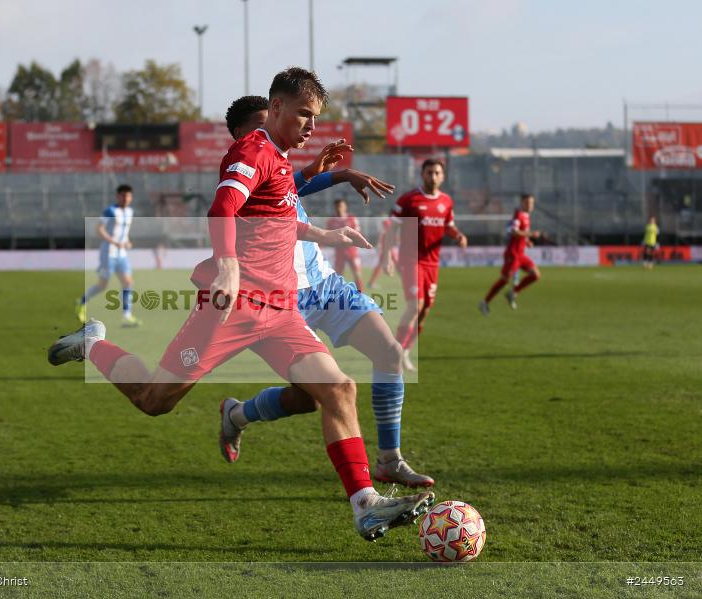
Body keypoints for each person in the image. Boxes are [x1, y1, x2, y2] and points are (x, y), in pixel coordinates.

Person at [48, 68, 433, 541]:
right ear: (275, 110)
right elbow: (224, 207)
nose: (311, 127)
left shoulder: (279, 158)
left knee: (339, 389)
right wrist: (228, 265)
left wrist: (323, 233)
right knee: (153, 401)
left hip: (279, 308)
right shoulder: (252, 150)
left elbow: (274, 219)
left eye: (315, 118)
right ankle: (93, 345)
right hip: (230, 307)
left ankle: (365, 504)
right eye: (304, 116)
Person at [217, 94, 434, 488]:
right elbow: (232, 208)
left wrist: (338, 174)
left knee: (389, 352)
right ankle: (237, 414)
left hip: (324, 284)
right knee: (309, 399)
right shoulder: (242, 168)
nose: (271, 133)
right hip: (281, 299)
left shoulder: (276, 164)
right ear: (240, 134)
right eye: (260, 126)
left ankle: (390, 460)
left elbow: (294, 186)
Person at [381, 160, 467, 372]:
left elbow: (449, 225)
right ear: (423, 174)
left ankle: (407, 350)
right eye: (430, 172)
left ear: (443, 176)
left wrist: (458, 236)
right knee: (415, 305)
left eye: (437, 173)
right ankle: (394, 353)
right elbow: (392, 229)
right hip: (411, 259)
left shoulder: (446, 201)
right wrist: (387, 256)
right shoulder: (409, 200)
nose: (433, 176)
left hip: (432, 262)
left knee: (425, 309)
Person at [76, 184, 140, 327]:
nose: (126, 198)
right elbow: (98, 229)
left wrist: (127, 242)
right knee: (102, 285)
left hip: (121, 254)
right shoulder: (110, 211)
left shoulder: (130, 211)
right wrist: (114, 242)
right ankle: (82, 301)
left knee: (128, 282)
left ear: (131, 197)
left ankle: (127, 317)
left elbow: (124, 232)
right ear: (117, 196)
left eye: (128, 196)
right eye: (123, 195)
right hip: (108, 254)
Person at [480, 194, 542, 314]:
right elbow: (514, 231)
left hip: (521, 254)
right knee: (505, 279)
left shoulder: (526, 216)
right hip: (513, 254)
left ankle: (513, 292)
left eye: (532, 203)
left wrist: (527, 241)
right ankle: (485, 302)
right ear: (522, 203)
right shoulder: (518, 215)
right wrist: (531, 235)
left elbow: (520, 234)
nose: (530, 205)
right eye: (527, 203)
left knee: (535, 275)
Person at [325, 199, 364, 291]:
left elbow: (358, 233)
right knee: (338, 276)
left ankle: (361, 295)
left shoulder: (351, 219)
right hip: (339, 252)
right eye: (337, 206)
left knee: (357, 274)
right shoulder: (331, 221)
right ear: (334, 207)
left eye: (341, 206)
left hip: (352, 251)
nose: (339, 208)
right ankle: (336, 295)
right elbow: (326, 235)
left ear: (345, 207)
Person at [366, 218, 397, 289]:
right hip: (386, 252)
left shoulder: (385, 233)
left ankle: (371, 282)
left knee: (381, 267)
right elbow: (382, 243)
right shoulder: (386, 233)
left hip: (388, 251)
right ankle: (371, 283)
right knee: (380, 267)